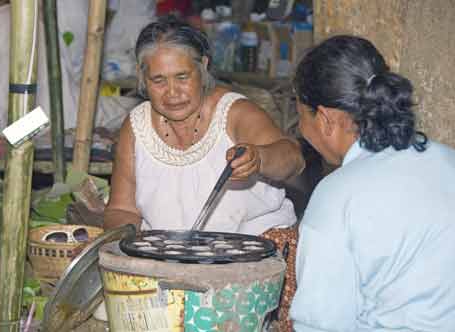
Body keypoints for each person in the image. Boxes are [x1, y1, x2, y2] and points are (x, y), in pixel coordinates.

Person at [104, 16, 305, 330]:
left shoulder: (234, 112)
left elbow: (293, 158)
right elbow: (121, 209)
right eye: (159, 80)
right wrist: (136, 254)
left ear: (204, 68)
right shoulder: (136, 126)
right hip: (171, 274)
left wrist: (260, 158)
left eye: (182, 76)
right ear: (143, 79)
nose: (172, 92)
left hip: (256, 270)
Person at [290, 35, 455, 331]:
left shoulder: (337, 196)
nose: (301, 129)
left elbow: (321, 324)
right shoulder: (451, 161)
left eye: (301, 115)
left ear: (326, 119)